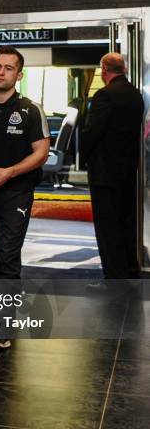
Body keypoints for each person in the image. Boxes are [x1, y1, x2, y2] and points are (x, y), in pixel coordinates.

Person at [0, 46, 50, 348]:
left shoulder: (30, 109)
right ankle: (7, 316)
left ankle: (2, 326)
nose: (0, 72)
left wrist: (10, 172)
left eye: (8, 68)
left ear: (19, 75)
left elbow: (42, 153)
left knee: (8, 257)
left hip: (17, 192)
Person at [81, 53, 144, 286]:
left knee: (108, 228)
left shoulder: (105, 95)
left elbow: (92, 132)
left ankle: (113, 277)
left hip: (104, 172)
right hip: (128, 170)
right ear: (124, 69)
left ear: (104, 69)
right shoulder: (135, 94)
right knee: (126, 222)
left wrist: (84, 157)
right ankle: (129, 269)